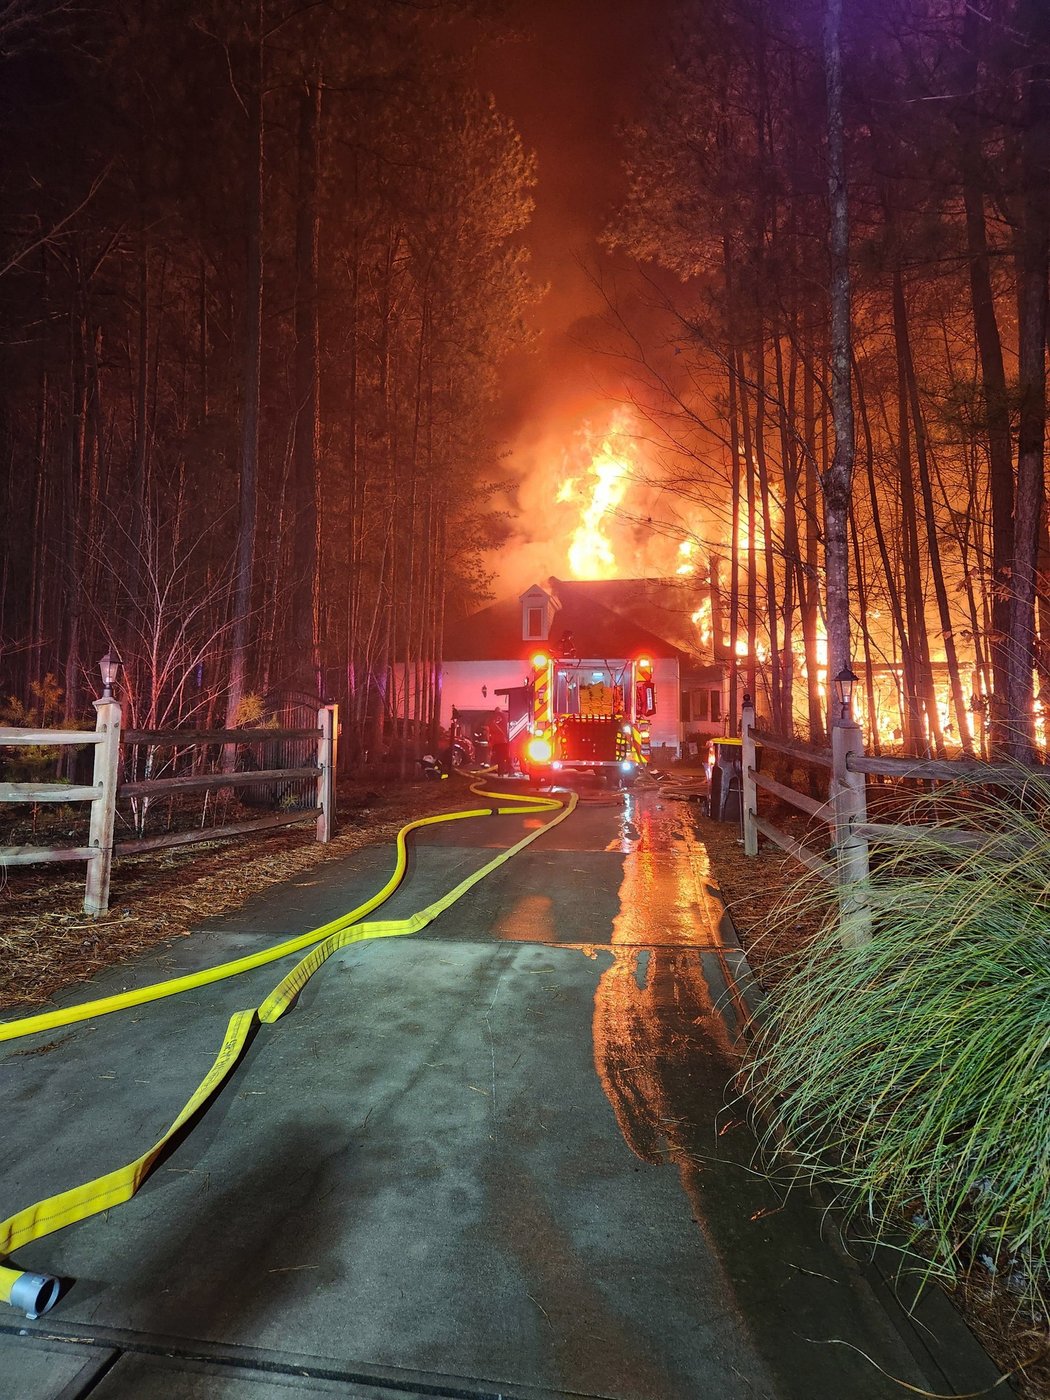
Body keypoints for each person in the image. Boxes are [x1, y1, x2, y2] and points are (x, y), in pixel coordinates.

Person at [489, 708, 510, 775]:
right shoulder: (505, 717)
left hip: (498, 743)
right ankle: (509, 771)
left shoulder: (494, 718)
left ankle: (501, 773)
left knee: (500, 759)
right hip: (504, 742)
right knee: (507, 757)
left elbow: (491, 727)